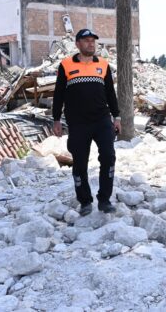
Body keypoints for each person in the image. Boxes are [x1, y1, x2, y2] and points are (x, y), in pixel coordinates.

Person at [53, 28, 121, 216]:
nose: (91, 43)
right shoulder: (66, 65)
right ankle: (85, 201)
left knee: (108, 156)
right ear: (77, 44)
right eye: (86, 41)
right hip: (78, 123)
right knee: (80, 163)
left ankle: (105, 199)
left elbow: (110, 93)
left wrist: (117, 116)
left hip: (102, 120)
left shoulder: (103, 65)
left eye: (93, 41)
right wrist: (56, 119)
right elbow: (58, 94)